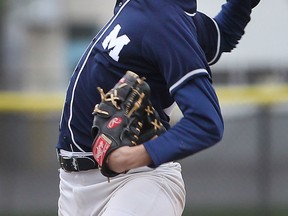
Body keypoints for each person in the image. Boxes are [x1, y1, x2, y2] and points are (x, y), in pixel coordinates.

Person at [56, 0, 261, 215]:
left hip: (137, 181)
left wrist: (131, 157)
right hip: (73, 186)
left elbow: (206, 121)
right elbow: (221, 36)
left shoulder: (166, 21)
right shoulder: (151, 9)